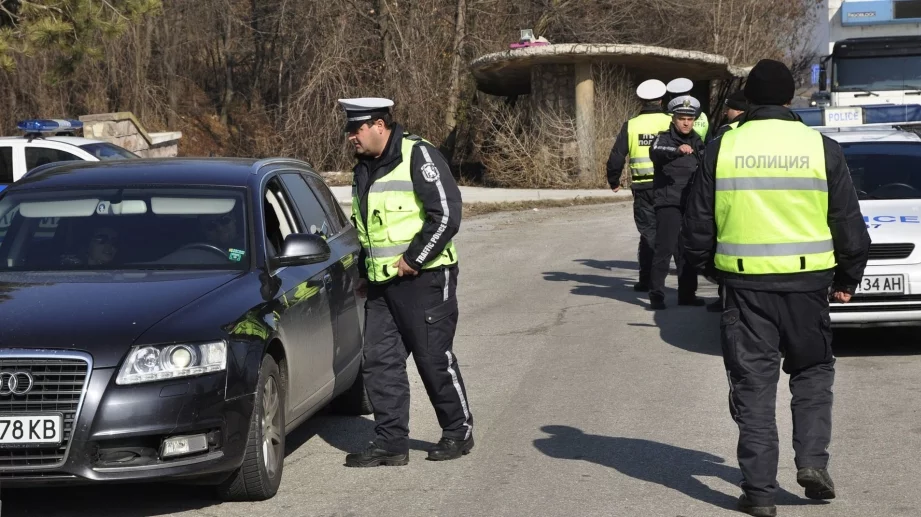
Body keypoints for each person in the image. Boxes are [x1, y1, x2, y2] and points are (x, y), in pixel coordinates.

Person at [682, 59, 871, 517]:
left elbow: (697, 224)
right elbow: (847, 220)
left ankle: (760, 492)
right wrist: (848, 276)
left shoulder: (721, 148)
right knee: (811, 373)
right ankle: (811, 463)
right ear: (789, 98)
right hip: (808, 286)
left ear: (750, 99)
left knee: (754, 385)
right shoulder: (820, 147)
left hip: (745, 287)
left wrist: (710, 270)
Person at [339, 97, 474, 467]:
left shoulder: (418, 155)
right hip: (383, 284)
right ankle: (390, 442)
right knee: (380, 362)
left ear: (379, 125)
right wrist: (365, 272)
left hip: (426, 278)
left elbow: (446, 215)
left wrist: (414, 258)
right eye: (350, 129)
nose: (351, 136)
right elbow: (368, 229)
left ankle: (458, 431)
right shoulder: (363, 168)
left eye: (357, 128)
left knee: (433, 360)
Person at [606, 79, 672, 292]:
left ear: (641, 101)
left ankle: (647, 281)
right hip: (670, 187)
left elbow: (617, 156)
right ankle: (686, 288)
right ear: (661, 100)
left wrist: (613, 181)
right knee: (675, 231)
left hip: (643, 189)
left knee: (648, 234)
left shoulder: (632, 125)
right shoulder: (672, 122)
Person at [647, 95, 706, 310]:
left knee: (688, 250)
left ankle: (687, 294)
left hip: (690, 203)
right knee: (665, 248)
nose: (686, 122)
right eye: (682, 118)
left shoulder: (698, 140)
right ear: (673, 119)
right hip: (669, 202)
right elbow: (656, 153)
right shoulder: (663, 139)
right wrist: (676, 151)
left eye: (690, 119)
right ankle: (656, 295)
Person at [705, 90, 750, 313]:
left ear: (737, 109)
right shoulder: (755, 130)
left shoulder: (726, 132)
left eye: (728, 108)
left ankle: (725, 297)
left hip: (726, 201)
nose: (726, 112)